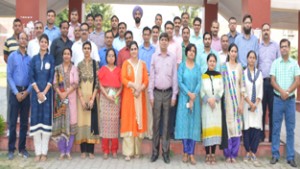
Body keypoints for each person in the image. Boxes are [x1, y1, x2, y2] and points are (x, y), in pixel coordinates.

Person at [270, 39, 299, 168]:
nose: (283, 49)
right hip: (277, 99)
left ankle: (290, 157)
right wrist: (282, 91)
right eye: (281, 47)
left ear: (289, 47)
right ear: (280, 49)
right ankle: (275, 155)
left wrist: (287, 92)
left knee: (290, 129)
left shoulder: (295, 64)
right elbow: (272, 81)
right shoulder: (275, 63)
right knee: (276, 128)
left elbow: (297, 81)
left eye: (286, 46)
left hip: (290, 101)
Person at [149, 33, 178, 164]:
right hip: (156, 93)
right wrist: (150, 94)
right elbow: (152, 77)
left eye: (166, 40)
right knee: (156, 123)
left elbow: (174, 77)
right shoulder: (154, 57)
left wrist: (174, 95)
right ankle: (155, 152)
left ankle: (165, 152)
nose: (164, 42)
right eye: (162, 40)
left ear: (168, 42)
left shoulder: (173, 57)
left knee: (166, 124)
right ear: (159, 42)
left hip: (168, 93)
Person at [120, 41, 148, 161]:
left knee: (138, 122)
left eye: (135, 49)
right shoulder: (126, 64)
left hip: (140, 96)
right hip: (129, 97)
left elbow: (146, 81)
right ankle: (128, 152)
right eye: (131, 49)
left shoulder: (143, 64)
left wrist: (139, 89)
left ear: (138, 50)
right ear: (129, 51)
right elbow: (123, 78)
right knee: (128, 121)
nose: (133, 51)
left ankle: (137, 151)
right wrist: (133, 86)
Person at [29, 34, 55, 162]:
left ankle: (44, 153)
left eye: (45, 42)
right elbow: (31, 76)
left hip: (47, 95)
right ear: (39, 43)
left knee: (45, 123)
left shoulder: (51, 59)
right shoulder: (34, 59)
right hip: (35, 95)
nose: (43, 43)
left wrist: (44, 92)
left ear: (47, 44)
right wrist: (38, 92)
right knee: (36, 122)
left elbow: (51, 77)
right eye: (42, 41)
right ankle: (37, 153)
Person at [175, 43, 201, 165]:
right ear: (186, 53)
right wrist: (188, 94)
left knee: (193, 126)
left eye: (194, 51)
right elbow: (180, 82)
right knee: (184, 126)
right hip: (184, 100)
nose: (191, 53)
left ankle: (191, 153)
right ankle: (185, 152)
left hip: (194, 101)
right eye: (190, 51)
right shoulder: (182, 66)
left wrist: (194, 94)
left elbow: (200, 82)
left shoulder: (198, 67)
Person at [7, 32, 31, 160]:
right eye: (21, 38)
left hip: (26, 93)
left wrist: (27, 92)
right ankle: (11, 149)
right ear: (18, 40)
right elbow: (9, 75)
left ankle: (22, 149)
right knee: (12, 123)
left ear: (27, 41)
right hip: (15, 93)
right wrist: (16, 93)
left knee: (23, 123)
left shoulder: (30, 59)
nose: (23, 40)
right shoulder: (12, 56)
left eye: (25, 39)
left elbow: (33, 78)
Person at [52, 48, 78, 160]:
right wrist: (61, 94)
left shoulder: (74, 68)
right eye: (65, 54)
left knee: (71, 124)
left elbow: (76, 83)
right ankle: (62, 151)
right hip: (60, 100)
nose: (66, 55)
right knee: (60, 124)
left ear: (71, 56)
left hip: (71, 100)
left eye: (68, 54)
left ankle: (68, 150)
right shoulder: (57, 69)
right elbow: (54, 84)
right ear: (62, 55)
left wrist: (66, 93)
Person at [221, 43, 245, 163]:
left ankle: (234, 154)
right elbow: (221, 85)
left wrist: (241, 103)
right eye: (232, 51)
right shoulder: (223, 67)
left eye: (235, 51)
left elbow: (242, 87)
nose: (234, 53)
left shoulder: (240, 67)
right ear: (229, 52)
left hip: (237, 103)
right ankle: (227, 154)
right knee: (227, 127)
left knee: (236, 127)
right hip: (226, 102)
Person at [75, 41, 100, 159]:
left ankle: (91, 151)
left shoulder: (95, 64)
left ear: (91, 50)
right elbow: (77, 83)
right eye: (84, 48)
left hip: (92, 97)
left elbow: (97, 83)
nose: (86, 50)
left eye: (88, 48)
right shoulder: (78, 65)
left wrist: (92, 99)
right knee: (82, 122)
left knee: (91, 123)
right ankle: (83, 151)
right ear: (82, 50)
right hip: (81, 99)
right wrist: (81, 99)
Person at [98, 48, 122, 159]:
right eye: (109, 55)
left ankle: (114, 150)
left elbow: (122, 86)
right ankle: (106, 150)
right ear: (106, 57)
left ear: (115, 58)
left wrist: (116, 96)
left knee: (114, 124)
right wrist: (107, 95)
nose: (111, 57)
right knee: (105, 124)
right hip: (104, 98)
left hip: (115, 98)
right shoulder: (102, 69)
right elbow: (100, 84)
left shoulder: (119, 70)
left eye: (113, 56)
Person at [258, 23, 280, 142]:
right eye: (264, 30)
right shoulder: (258, 47)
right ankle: (261, 136)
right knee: (261, 110)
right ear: (262, 32)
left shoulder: (275, 46)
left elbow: (279, 63)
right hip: (261, 82)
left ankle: (272, 137)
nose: (266, 32)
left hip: (272, 82)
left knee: (272, 111)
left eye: (267, 30)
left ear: (270, 31)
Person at [201, 53, 224, 165]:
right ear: (207, 62)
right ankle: (207, 154)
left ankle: (213, 154)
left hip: (216, 107)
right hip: (206, 108)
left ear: (216, 63)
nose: (212, 63)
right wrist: (209, 100)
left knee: (214, 130)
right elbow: (201, 91)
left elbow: (221, 90)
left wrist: (215, 99)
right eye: (210, 61)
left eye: (214, 61)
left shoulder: (219, 76)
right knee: (207, 129)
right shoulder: (203, 76)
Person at [242, 51, 263, 167]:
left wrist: (256, 103)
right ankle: (247, 151)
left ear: (255, 60)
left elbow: (261, 91)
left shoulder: (259, 74)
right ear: (247, 59)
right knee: (247, 129)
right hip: (247, 105)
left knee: (256, 129)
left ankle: (253, 152)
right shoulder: (244, 73)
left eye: (253, 57)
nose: (251, 59)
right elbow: (243, 90)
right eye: (250, 57)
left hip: (257, 106)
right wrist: (250, 103)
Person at [4, 18, 23, 134]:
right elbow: (5, 58)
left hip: (23, 79)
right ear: (13, 27)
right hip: (12, 78)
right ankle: (10, 128)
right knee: (11, 102)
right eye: (15, 25)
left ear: (22, 27)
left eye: (19, 25)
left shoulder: (24, 41)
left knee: (24, 104)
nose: (17, 27)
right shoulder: (8, 41)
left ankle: (22, 128)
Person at [139, 27, 156, 139]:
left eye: (147, 34)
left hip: (150, 80)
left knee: (149, 108)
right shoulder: (138, 49)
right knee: (140, 107)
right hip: (139, 80)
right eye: (144, 34)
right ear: (142, 35)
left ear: (150, 36)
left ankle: (149, 132)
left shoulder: (154, 50)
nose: (146, 36)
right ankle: (141, 132)